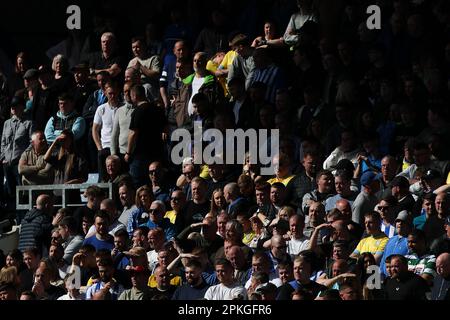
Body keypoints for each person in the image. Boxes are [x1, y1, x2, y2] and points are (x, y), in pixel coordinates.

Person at [125, 84, 166, 188]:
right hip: (156, 154)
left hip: (140, 155)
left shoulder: (137, 111)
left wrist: (128, 153)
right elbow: (166, 129)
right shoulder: (158, 110)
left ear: (134, 95)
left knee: (139, 185)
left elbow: (133, 133)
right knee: (156, 184)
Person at [1, 96, 34, 204]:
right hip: (7, 162)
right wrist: (2, 157)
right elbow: (3, 142)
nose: (14, 109)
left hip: (20, 163)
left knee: (21, 190)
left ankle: (21, 216)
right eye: (12, 107)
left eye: (16, 106)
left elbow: (31, 142)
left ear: (22, 107)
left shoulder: (29, 123)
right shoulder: (7, 123)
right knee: (10, 190)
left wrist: (23, 158)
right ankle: (12, 215)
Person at [92, 82, 121, 182]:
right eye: (110, 94)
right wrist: (99, 147)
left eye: (114, 93)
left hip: (119, 146)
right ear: (105, 93)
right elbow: (95, 130)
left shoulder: (123, 108)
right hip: (105, 146)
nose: (112, 96)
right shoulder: (101, 109)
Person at [380, 211, 411, 277]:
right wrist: (380, 275)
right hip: (385, 279)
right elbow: (383, 260)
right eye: (398, 221)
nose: (400, 223)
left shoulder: (410, 241)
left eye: (403, 221)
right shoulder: (391, 240)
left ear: (409, 224)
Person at [110, 81, 134, 162]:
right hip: (121, 153)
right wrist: (113, 154)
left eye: (129, 91)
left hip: (136, 153)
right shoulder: (119, 111)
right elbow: (114, 134)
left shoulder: (141, 109)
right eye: (125, 91)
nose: (127, 93)